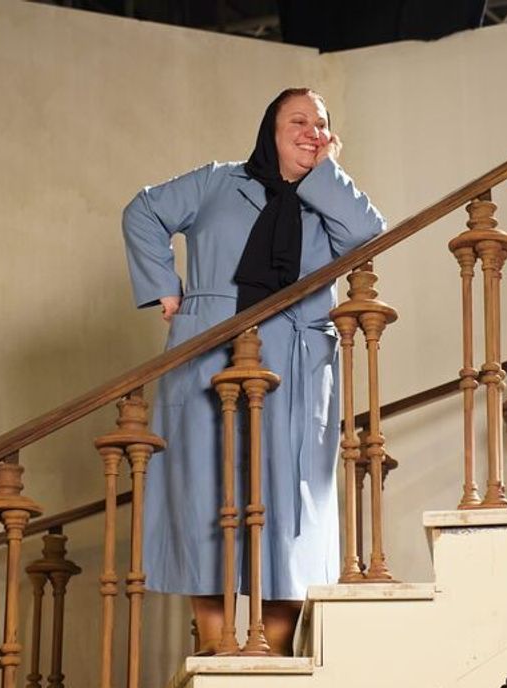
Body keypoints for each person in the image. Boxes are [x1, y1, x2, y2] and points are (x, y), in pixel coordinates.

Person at [122, 88, 386, 656]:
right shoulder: (218, 182)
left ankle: (275, 650)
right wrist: (165, 287)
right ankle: (217, 646)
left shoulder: (328, 199)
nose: (312, 132)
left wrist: (327, 173)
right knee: (204, 494)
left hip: (295, 362)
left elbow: (368, 233)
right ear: (271, 129)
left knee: (291, 503)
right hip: (208, 353)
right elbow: (144, 210)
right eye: (299, 121)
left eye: (322, 124)